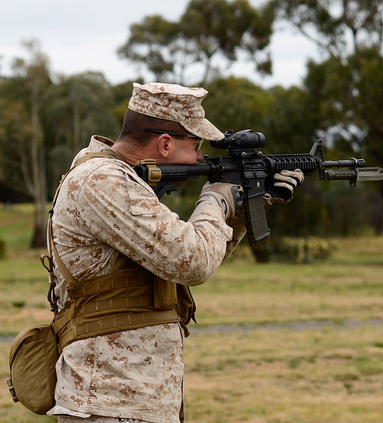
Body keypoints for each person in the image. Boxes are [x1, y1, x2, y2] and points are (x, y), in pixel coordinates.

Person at [44, 82, 303, 423]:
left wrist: (242, 207)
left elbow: (193, 258)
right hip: (111, 400)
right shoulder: (103, 180)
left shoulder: (119, 180)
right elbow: (192, 262)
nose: (199, 158)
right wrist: (215, 200)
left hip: (133, 398)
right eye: (195, 146)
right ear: (165, 144)